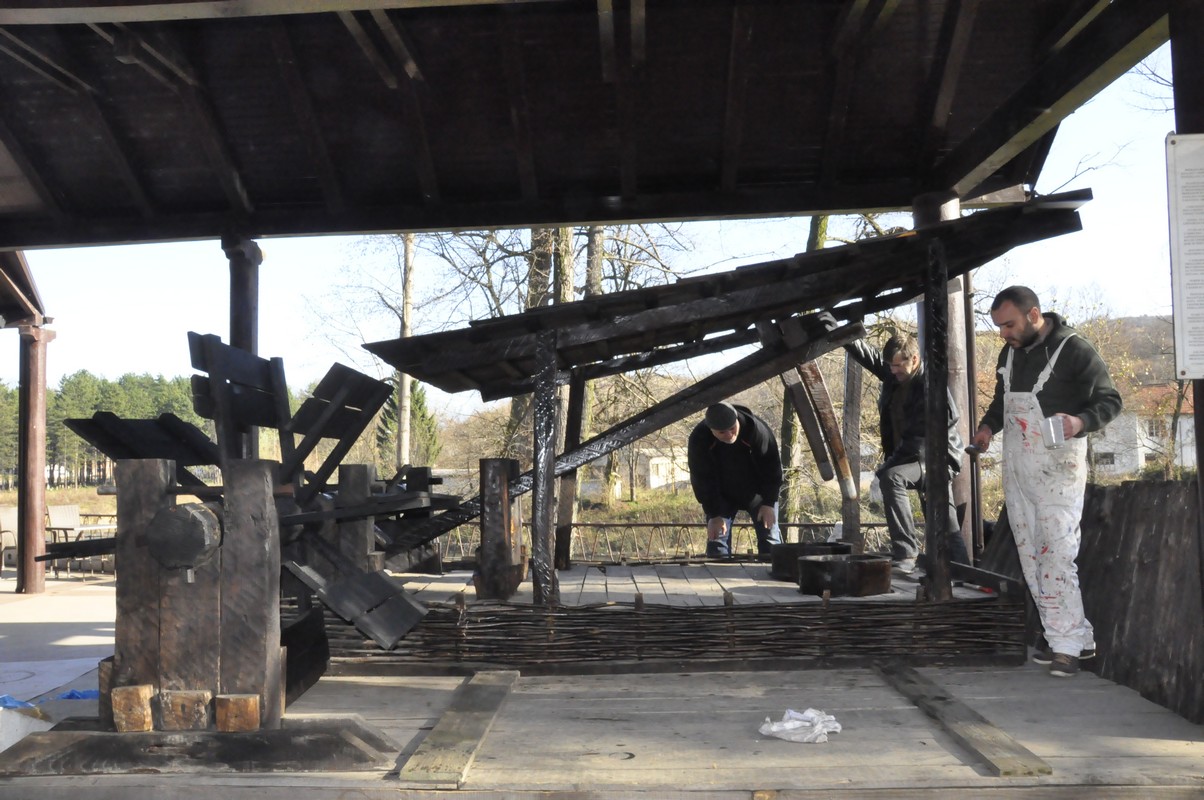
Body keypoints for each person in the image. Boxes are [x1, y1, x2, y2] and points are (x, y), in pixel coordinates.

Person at [969, 286, 1122, 678]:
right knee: (1032, 557)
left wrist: (1079, 422)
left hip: (1058, 468)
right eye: (999, 326)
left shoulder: (1074, 349)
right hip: (1019, 467)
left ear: (1034, 314)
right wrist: (987, 428)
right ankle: (1069, 639)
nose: (1003, 333)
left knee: (1056, 554)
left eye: (1008, 325)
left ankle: (1067, 648)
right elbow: (1003, 403)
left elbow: (1110, 399)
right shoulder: (1010, 353)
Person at [843, 331, 970, 573]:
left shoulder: (930, 387)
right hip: (913, 457)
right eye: (890, 366)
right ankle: (961, 568)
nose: (893, 371)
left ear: (914, 359)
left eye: (898, 366)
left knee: (893, 478)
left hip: (936, 458)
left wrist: (888, 464)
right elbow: (870, 357)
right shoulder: (896, 375)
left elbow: (918, 441)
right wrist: (843, 335)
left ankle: (907, 552)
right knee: (944, 520)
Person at [687, 402, 783, 557]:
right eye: (722, 432)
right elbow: (701, 478)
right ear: (711, 430)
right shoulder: (699, 439)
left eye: (732, 428)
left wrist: (769, 502)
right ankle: (717, 578)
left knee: (770, 539)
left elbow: (772, 468)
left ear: (737, 420)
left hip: (759, 493)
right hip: (721, 495)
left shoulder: (756, 430)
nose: (729, 435)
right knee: (717, 543)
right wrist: (714, 514)